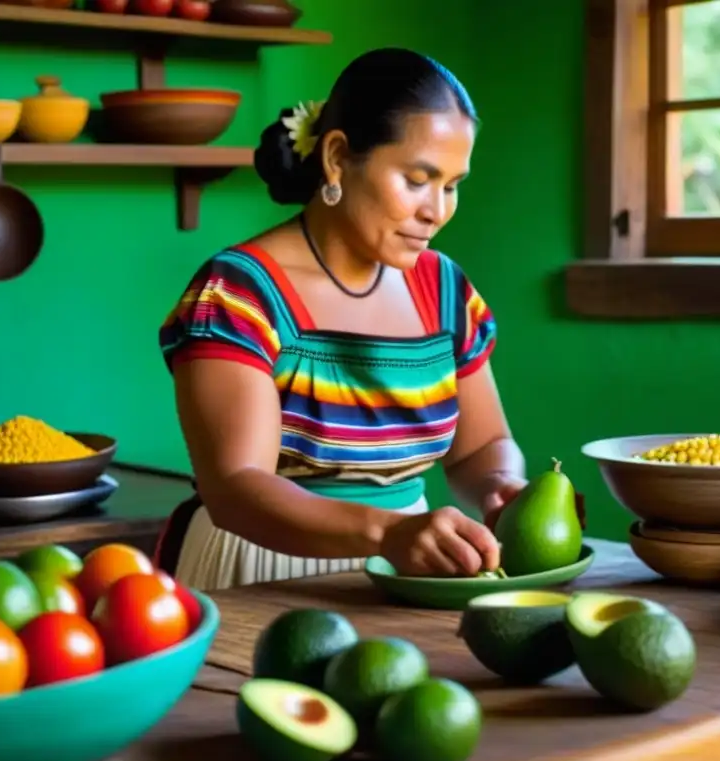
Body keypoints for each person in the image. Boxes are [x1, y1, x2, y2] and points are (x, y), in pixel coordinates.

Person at [153, 47, 529, 591]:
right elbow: (236, 487)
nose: (437, 210)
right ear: (336, 158)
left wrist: (500, 485)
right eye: (417, 179)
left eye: (451, 186)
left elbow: (479, 445)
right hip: (260, 574)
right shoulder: (238, 293)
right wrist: (387, 533)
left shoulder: (445, 290)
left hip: (401, 574)